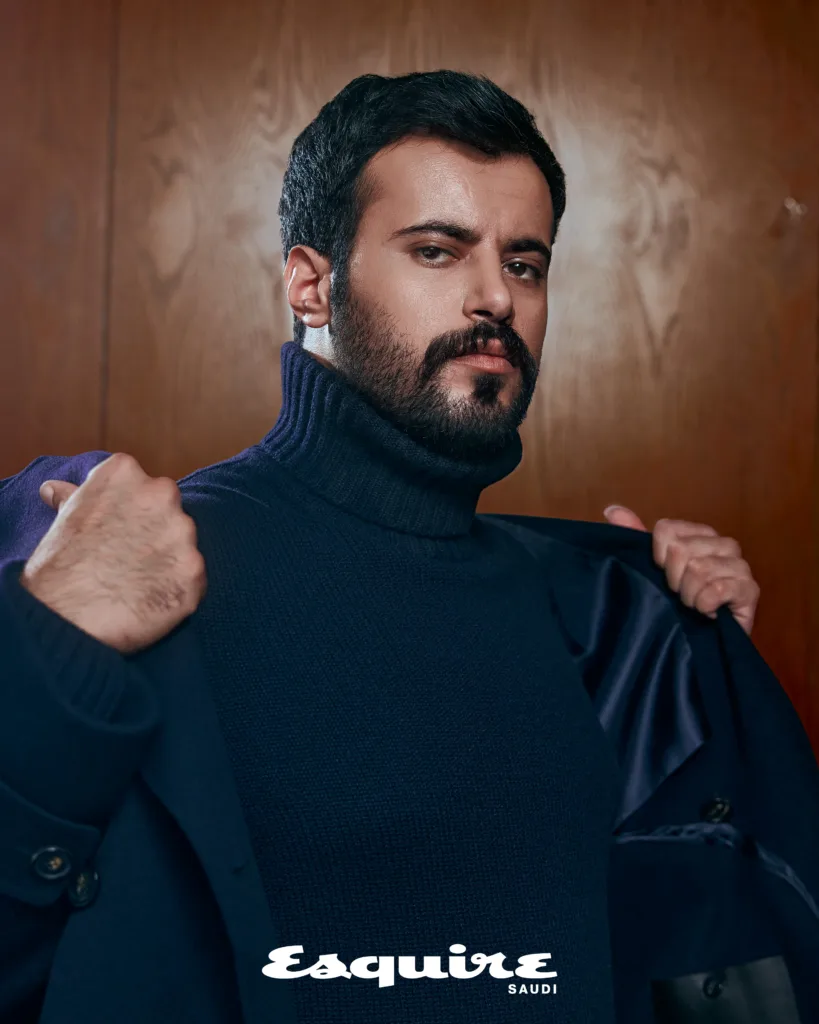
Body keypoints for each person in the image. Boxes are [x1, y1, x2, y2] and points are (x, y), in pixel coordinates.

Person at [1, 71, 761, 1023]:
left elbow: (649, 938)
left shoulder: (598, 616)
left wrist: (691, 655)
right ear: (311, 285)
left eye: (525, 264)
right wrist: (46, 650)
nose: (495, 297)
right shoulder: (136, 565)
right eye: (437, 251)